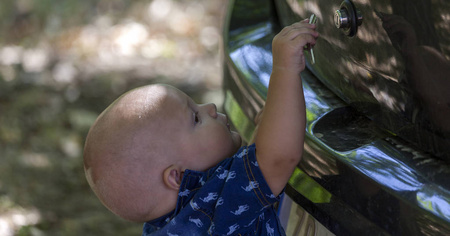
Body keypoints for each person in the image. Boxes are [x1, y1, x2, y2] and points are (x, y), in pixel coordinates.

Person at [83, 19, 319, 235]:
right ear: (176, 176)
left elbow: (252, 168)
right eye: (196, 118)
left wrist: (268, 128)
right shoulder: (214, 206)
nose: (211, 108)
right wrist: (284, 68)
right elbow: (277, 158)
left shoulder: (174, 223)